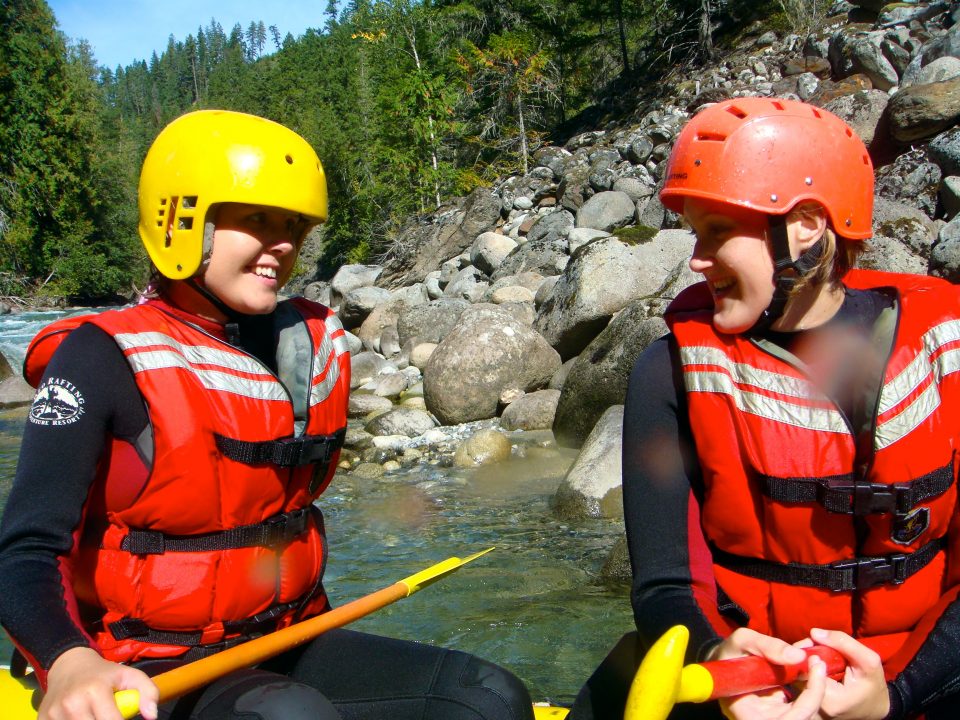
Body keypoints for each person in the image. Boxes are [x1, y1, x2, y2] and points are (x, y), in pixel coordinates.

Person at [0, 109, 534, 720]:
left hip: (286, 639)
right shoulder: (99, 357)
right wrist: (67, 661)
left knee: (490, 700)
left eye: (293, 226)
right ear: (182, 223)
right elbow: (26, 551)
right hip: (143, 664)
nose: (282, 244)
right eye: (256, 219)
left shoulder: (301, 346)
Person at [569, 97, 960, 720]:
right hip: (746, 681)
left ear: (805, 226)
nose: (696, 260)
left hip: (922, 676)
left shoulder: (947, 348)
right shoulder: (666, 375)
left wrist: (895, 698)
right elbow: (666, 585)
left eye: (718, 232)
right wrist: (716, 656)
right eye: (697, 234)